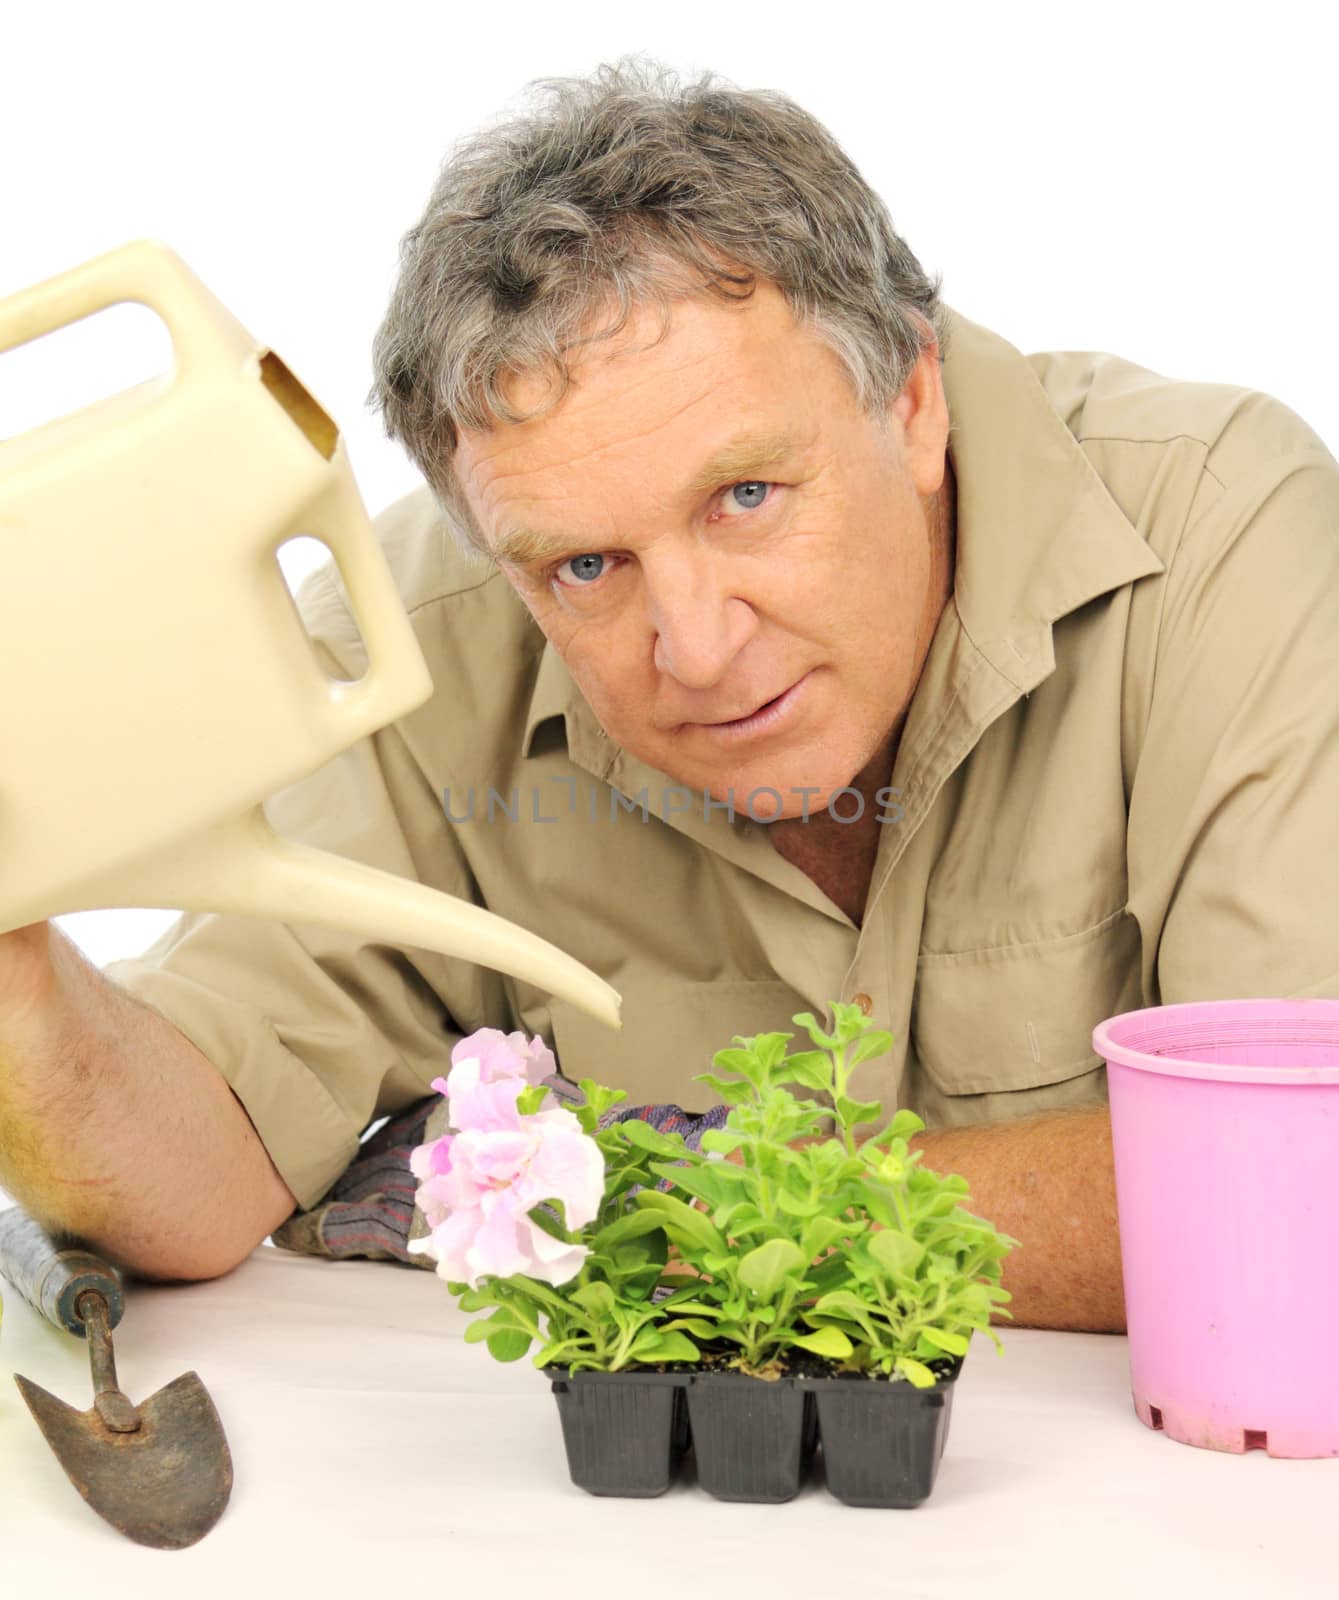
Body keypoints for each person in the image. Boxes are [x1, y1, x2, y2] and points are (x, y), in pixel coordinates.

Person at [2, 58, 1336, 1334]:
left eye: (748, 497)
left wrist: (676, 1215)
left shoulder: (1224, 529)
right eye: (586, 565)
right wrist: (16, 978)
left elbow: (1298, 1188)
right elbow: (195, 1174)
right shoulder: (406, 640)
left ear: (914, 399)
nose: (694, 648)